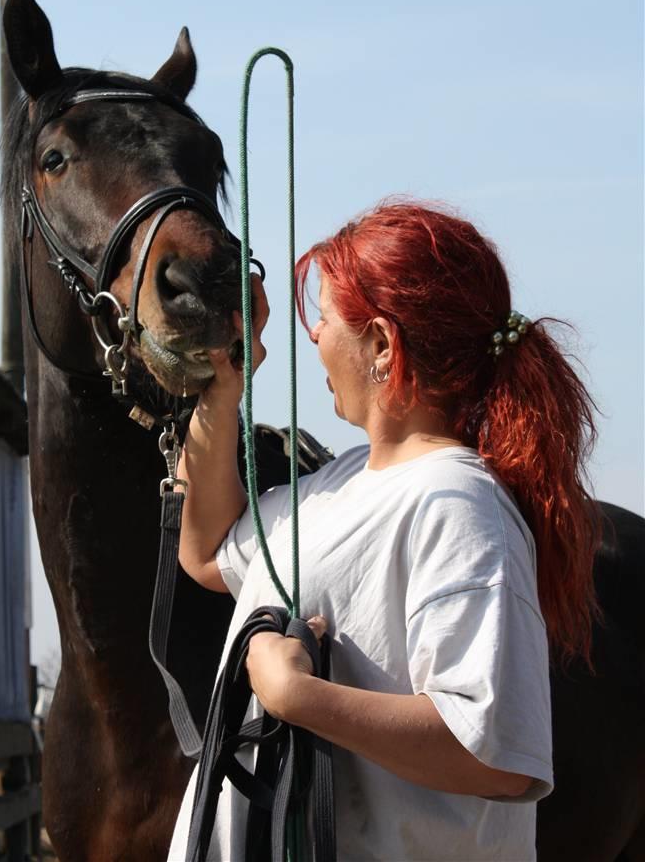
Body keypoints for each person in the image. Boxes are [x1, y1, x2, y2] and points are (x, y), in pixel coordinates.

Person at [168, 199, 600, 862]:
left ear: (379, 345)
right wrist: (221, 392)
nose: (312, 337)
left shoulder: (458, 504)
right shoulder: (333, 486)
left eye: (327, 317)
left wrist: (297, 696)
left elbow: (496, 752)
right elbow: (204, 554)